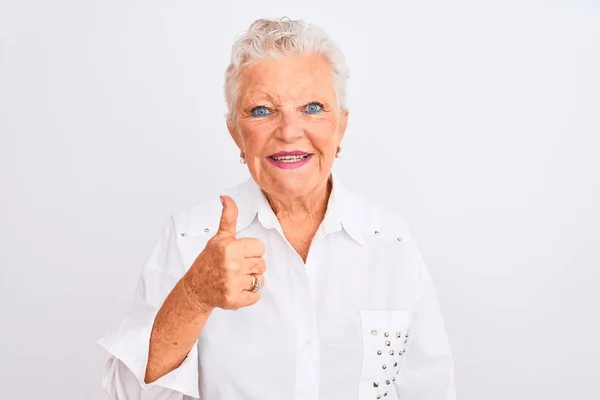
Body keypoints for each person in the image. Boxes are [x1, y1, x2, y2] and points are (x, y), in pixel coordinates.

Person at [96, 17, 456, 400]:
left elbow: (431, 390)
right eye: (262, 110)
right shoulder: (190, 236)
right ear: (235, 131)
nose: (288, 131)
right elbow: (126, 395)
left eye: (312, 107)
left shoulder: (390, 240)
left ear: (341, 127)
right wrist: (194, 296)